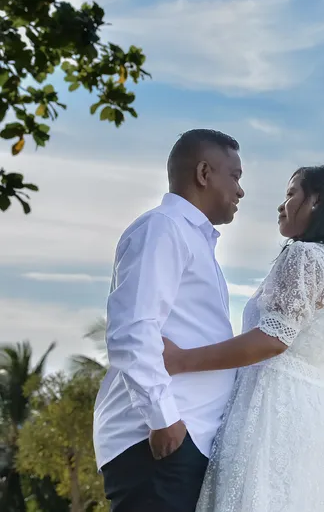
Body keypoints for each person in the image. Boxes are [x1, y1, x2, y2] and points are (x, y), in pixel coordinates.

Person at [163, 164, 324, 512]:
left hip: (273, 407)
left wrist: (181, 360)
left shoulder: (304, 255)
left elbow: (272, 339)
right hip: (312, 412)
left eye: (291, 194)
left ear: (316, 200)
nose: (281, 205)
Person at [94, 129, 245, 512]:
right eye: (235, 176)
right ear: (204, 173)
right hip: (159, 440)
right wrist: (163, 419)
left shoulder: (192, 239)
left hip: (182, 438)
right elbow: (133, 330)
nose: (240, 191)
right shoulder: (163, 228)